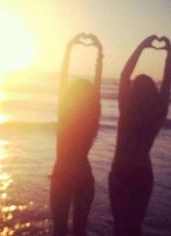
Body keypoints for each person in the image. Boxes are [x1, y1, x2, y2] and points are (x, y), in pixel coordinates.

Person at [109, 35, 171, 236]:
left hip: (120, 172)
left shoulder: (126, 109)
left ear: (133, 90)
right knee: (134, 229)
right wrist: (169, 52)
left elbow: (124, 73)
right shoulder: (158, 112)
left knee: (120, 227)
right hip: (142, 174)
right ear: (152, 92)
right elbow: (167, 84)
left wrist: (142, 46)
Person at [50, 33, 103, 236]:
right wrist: (99, 52)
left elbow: (62, 79)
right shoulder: (91, 117)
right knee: (80, 230)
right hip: (84, 176)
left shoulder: (64, 114)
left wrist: (69, 47)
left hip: (62, 174)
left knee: (59, 230)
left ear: (70, 96)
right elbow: (96, 86)